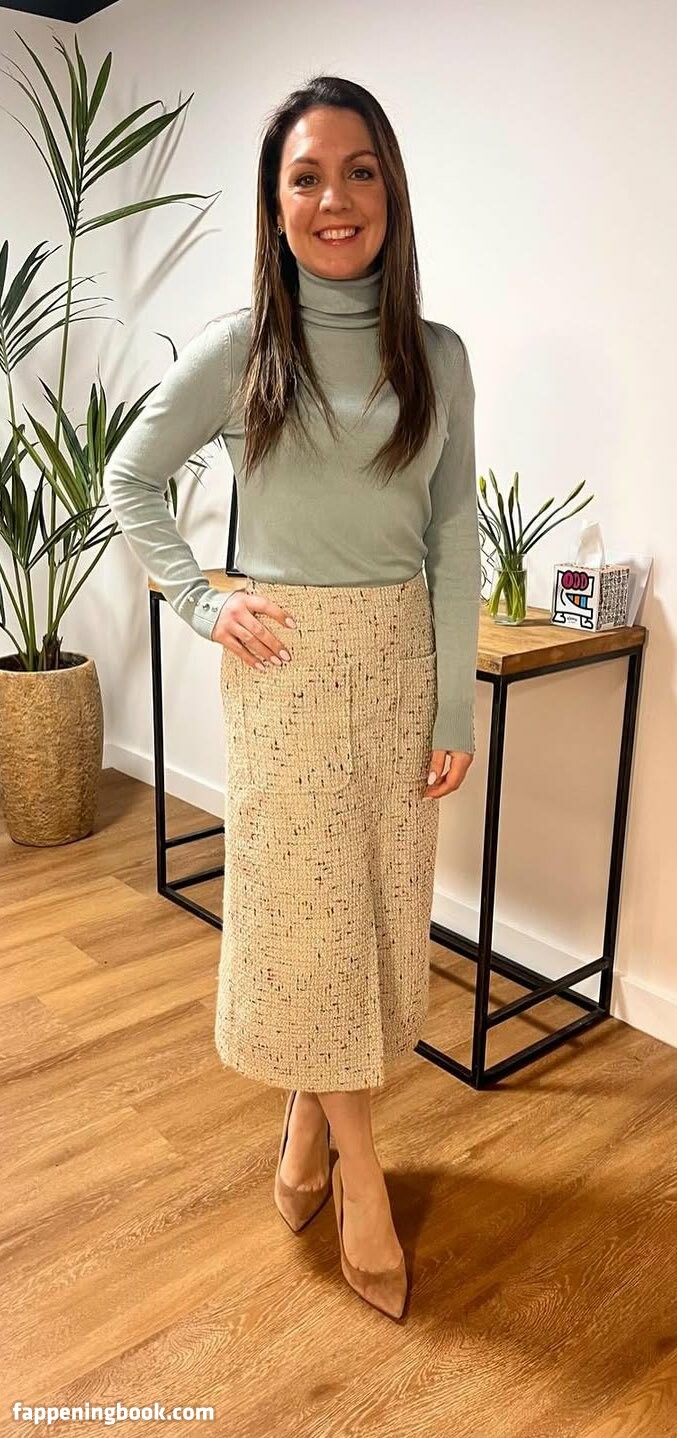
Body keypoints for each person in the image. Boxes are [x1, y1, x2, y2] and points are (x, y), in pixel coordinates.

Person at [103, 74, 481, 1321]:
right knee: (308, 925)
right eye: (305, 177)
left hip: (399, 663)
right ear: (275, 206)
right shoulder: (242, 347)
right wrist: (204, 602)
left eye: (357, 170)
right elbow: (130, 479)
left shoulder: (436, 355)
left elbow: (452, 534)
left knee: (373, 918)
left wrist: (453, 708)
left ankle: (306, 1129)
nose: (334, 197)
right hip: (284, 669)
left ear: (390, 190)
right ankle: (362, 1183)